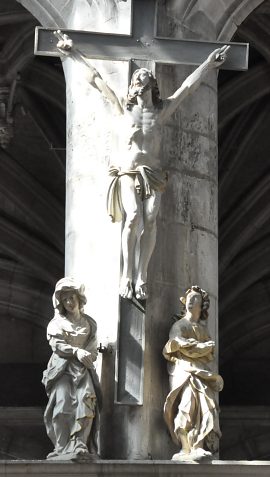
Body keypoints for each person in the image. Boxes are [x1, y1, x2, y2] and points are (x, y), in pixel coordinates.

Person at [55, 30, 229, 300]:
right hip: (127, 172)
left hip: (155, 174)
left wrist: (208, 64)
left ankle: (141, 276)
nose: (140, 81)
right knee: (133, 216)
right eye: (137, 79)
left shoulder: (160, 111)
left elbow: (186, 89)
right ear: (132, 86)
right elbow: (97, 81)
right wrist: (71, 53)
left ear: (152, 87)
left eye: (145, 79)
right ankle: (126, 274)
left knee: (151, 220)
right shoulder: (122, 110)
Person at [42, 277, 102, 461]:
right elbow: (58, 345)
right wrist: (76, 351)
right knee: (62, 406)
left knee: (85, 404)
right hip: (61, 370)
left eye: (71, 298)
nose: (68, 302)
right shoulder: (56, 324)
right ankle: (62, 447)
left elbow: (92, 348)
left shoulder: (89, 323)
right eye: (65, 299)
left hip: (83, 370)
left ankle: (80, 444)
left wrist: (89, 356)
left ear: (79, 299)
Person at [163, 285, 223, 461]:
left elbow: (210, 352)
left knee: (207, 408)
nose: (191, 301)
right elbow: (176, 344)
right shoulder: (179, 325)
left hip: (201, 374)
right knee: (187, 407)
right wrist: (200, 348)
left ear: (202, 305)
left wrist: (201, 349)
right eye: (189, 298)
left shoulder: (203, 330)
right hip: (185, 372)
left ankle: (198, 446)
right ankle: (185, 448)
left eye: (196, 299)